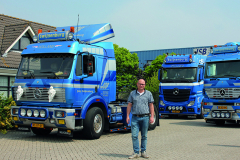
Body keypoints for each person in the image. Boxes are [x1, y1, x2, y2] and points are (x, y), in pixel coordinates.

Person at [126, 79, 154, 159]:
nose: (141, 86)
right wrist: (127, 116)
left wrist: (152, 116)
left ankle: (143, 152)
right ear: (137, 84)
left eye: (143, 84)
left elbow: (151, 105)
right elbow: (129, 105)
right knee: (134, 136)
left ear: (145, 85)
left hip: (145, 117)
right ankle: (136, 152)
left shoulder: (148, 94)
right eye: (140, 84)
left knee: (144, 136)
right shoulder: (132, 93)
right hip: (135, 118)